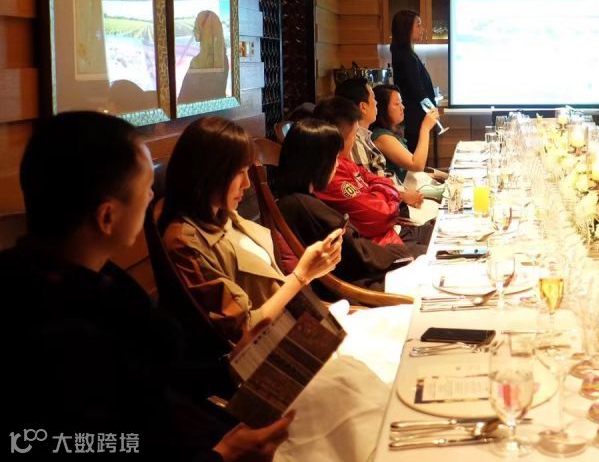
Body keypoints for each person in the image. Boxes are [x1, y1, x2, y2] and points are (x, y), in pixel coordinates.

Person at [1, 111, 293, 461]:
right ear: (107, 217)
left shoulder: (99, 278)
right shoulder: (53, 331)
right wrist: (224, 454)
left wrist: (231, 362)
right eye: (145, 189)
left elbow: (158, 377)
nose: (152, 197)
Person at [161, 116, 343, 342]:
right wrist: (302, 275)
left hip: (294, 328)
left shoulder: (225, 217)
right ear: (209, 172)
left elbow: (271, 284)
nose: (247, 184)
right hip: (268, 348)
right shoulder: (186, 241)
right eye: (239, 172)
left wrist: (312, 271)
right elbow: (244, 329)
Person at [277, 118, 417, 289]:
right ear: (320, 163)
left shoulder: (295, 201)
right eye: (335, 158)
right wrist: (399, 252)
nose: (337, 164)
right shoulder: (302, 204)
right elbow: (356, 253)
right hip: (357, 283)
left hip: (363, 267)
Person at [312, 96, 430, 248]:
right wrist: (385, 196)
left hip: (393, 230)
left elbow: (376, 179)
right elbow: (382, 215)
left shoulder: (344, 162)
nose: (403, 107)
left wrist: (377, 194)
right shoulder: (331, 175)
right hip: (382, 245)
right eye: (354, 135)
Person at [335, 76, 425, 208]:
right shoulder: (358, 141)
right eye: (373, 98)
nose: (376, 103)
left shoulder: (366, 137)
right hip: (391, 206)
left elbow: (377, 180)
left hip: (396, 196)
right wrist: (425, 128)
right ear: (363, 107)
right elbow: (367, 190)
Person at [370, 83, 444, 185]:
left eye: (401, 102)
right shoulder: (381, 136)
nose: (403, 107)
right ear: (382, 108)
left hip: (409, 184)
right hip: (400, 191)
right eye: (397, 104)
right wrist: (425, 128)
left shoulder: (391, 132)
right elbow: (417, 165)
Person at [389, 9, 437, 154]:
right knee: (416, 157)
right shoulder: (406, 56)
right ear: (406, 28)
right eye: (418, 25)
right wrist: (432, 110)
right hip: (414, 119)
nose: (422, 29)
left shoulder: (404, 53)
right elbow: (417, 91)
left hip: (413, 118)